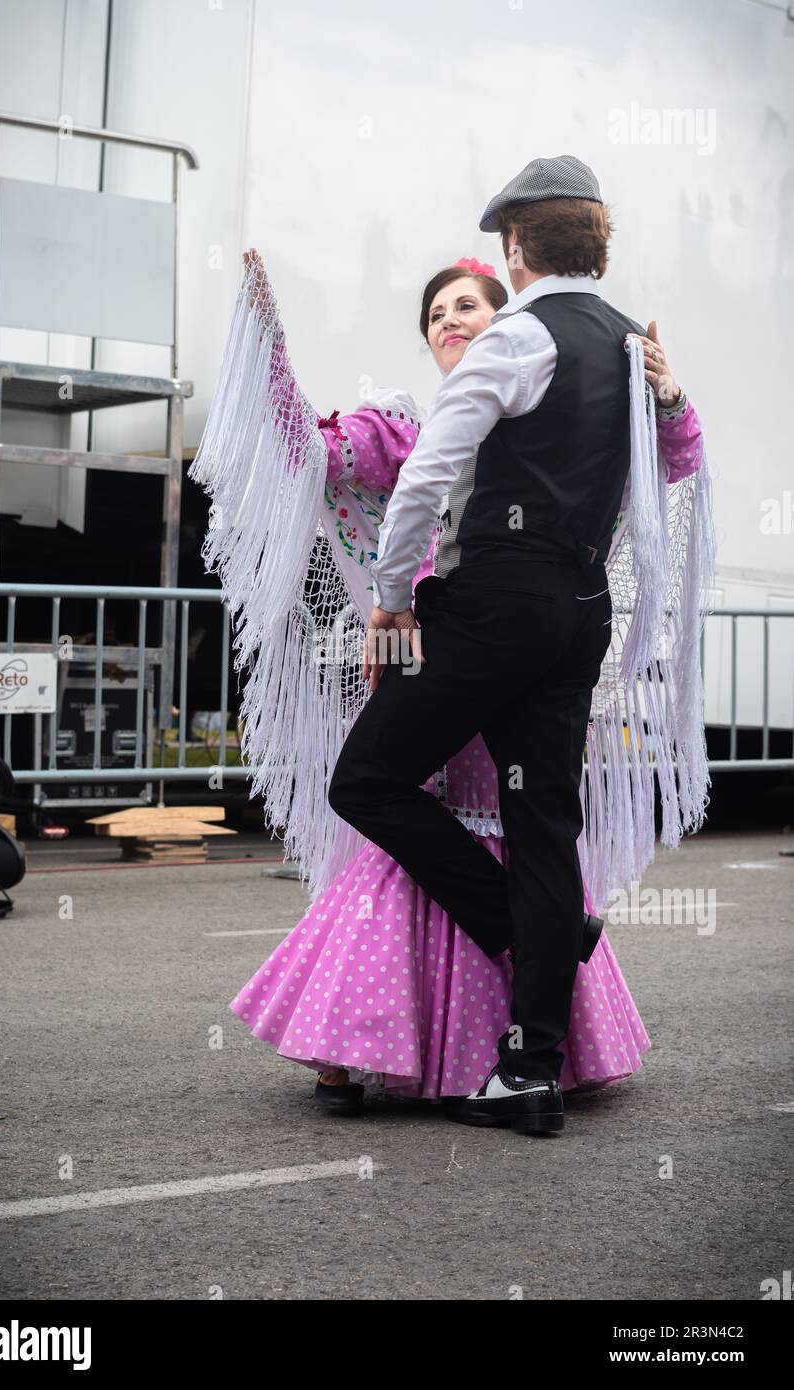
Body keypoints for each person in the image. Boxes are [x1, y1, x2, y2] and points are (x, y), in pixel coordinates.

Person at [189, 212, 711, 1123]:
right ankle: (403, 1039)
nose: (449, 320)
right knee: (440, 831)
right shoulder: (402, 425)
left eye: (467, 303)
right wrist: (265, 347)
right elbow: (306, 453)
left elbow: (669, 464)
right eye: (434, 312)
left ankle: (523, 1028)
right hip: (450, 647)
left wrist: (668, 398)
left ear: (504, 313)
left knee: (496, 822)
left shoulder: (541, 379)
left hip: (481, 637)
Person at [325, 156, 715, 1133]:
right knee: (542, 827)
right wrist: (669, 400)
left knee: (365, 779)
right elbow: (669, 476)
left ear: (514, 246)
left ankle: (510, 924)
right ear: (596, 242)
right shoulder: (630, 344)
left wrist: (389, 599)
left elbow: (426, 474)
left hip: (492, 602)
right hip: (578, 609)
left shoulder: (516, 337)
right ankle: (529, 1070)